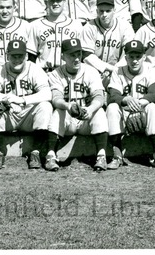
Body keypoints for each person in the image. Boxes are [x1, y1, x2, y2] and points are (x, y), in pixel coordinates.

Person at [0, 38, 53, 170]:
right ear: (7, 56)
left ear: (27, 56)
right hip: (9, 115)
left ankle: (35, 152)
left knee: (45, 107)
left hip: (28, 115)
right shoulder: (0, 70)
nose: (17, 59)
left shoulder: (34, 69)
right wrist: (5, 98)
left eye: (20, 56)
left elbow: (47, 93)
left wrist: (23, 99)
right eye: (13, 56)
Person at [105, 39, 155, 171]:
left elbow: (153, 95)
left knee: (152, 107)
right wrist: (126, 100)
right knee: (112, 108)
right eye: (131, 57)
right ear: (126, 57)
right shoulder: (118, 71)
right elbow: (114, 96)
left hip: (143, 110)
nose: (135, 60)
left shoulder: (151, 70)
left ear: (144, 57)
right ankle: (117, 155)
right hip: (124, 113)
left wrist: (137, 103)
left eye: (138, 57)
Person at [45, 38, 109, 171]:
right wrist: (67, 106)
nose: (76, 58)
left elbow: (99, 96)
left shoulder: (91, 71)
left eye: (78, 54)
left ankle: (101, 156)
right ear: (63, 56)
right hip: (68, 121)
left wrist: (90, 109)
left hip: (86, 118)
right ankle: (51, 155)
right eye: (71, 55)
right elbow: (56, 98)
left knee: (100, 111)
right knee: (58, 111)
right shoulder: (56, 74)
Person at [81, 0, 135, 86]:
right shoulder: (89, 27)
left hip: (119, 70)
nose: (104, 15)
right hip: (93, 70)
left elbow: (129, 52)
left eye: (108, 11)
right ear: (97, 11)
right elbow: (86, 55)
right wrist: (108, 68)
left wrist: (117, 69)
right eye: (101, 11)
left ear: (114, 10)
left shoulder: (125, 26)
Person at [27, 0, 83, 72]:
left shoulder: (76, 25)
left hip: (68, 72)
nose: (55, 3)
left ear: (64, 1)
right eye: (52, 0)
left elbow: (82, 54)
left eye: (58, 0)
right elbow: (31, 55)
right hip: (44, 71)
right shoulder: (36, 25)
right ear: (46, 2)